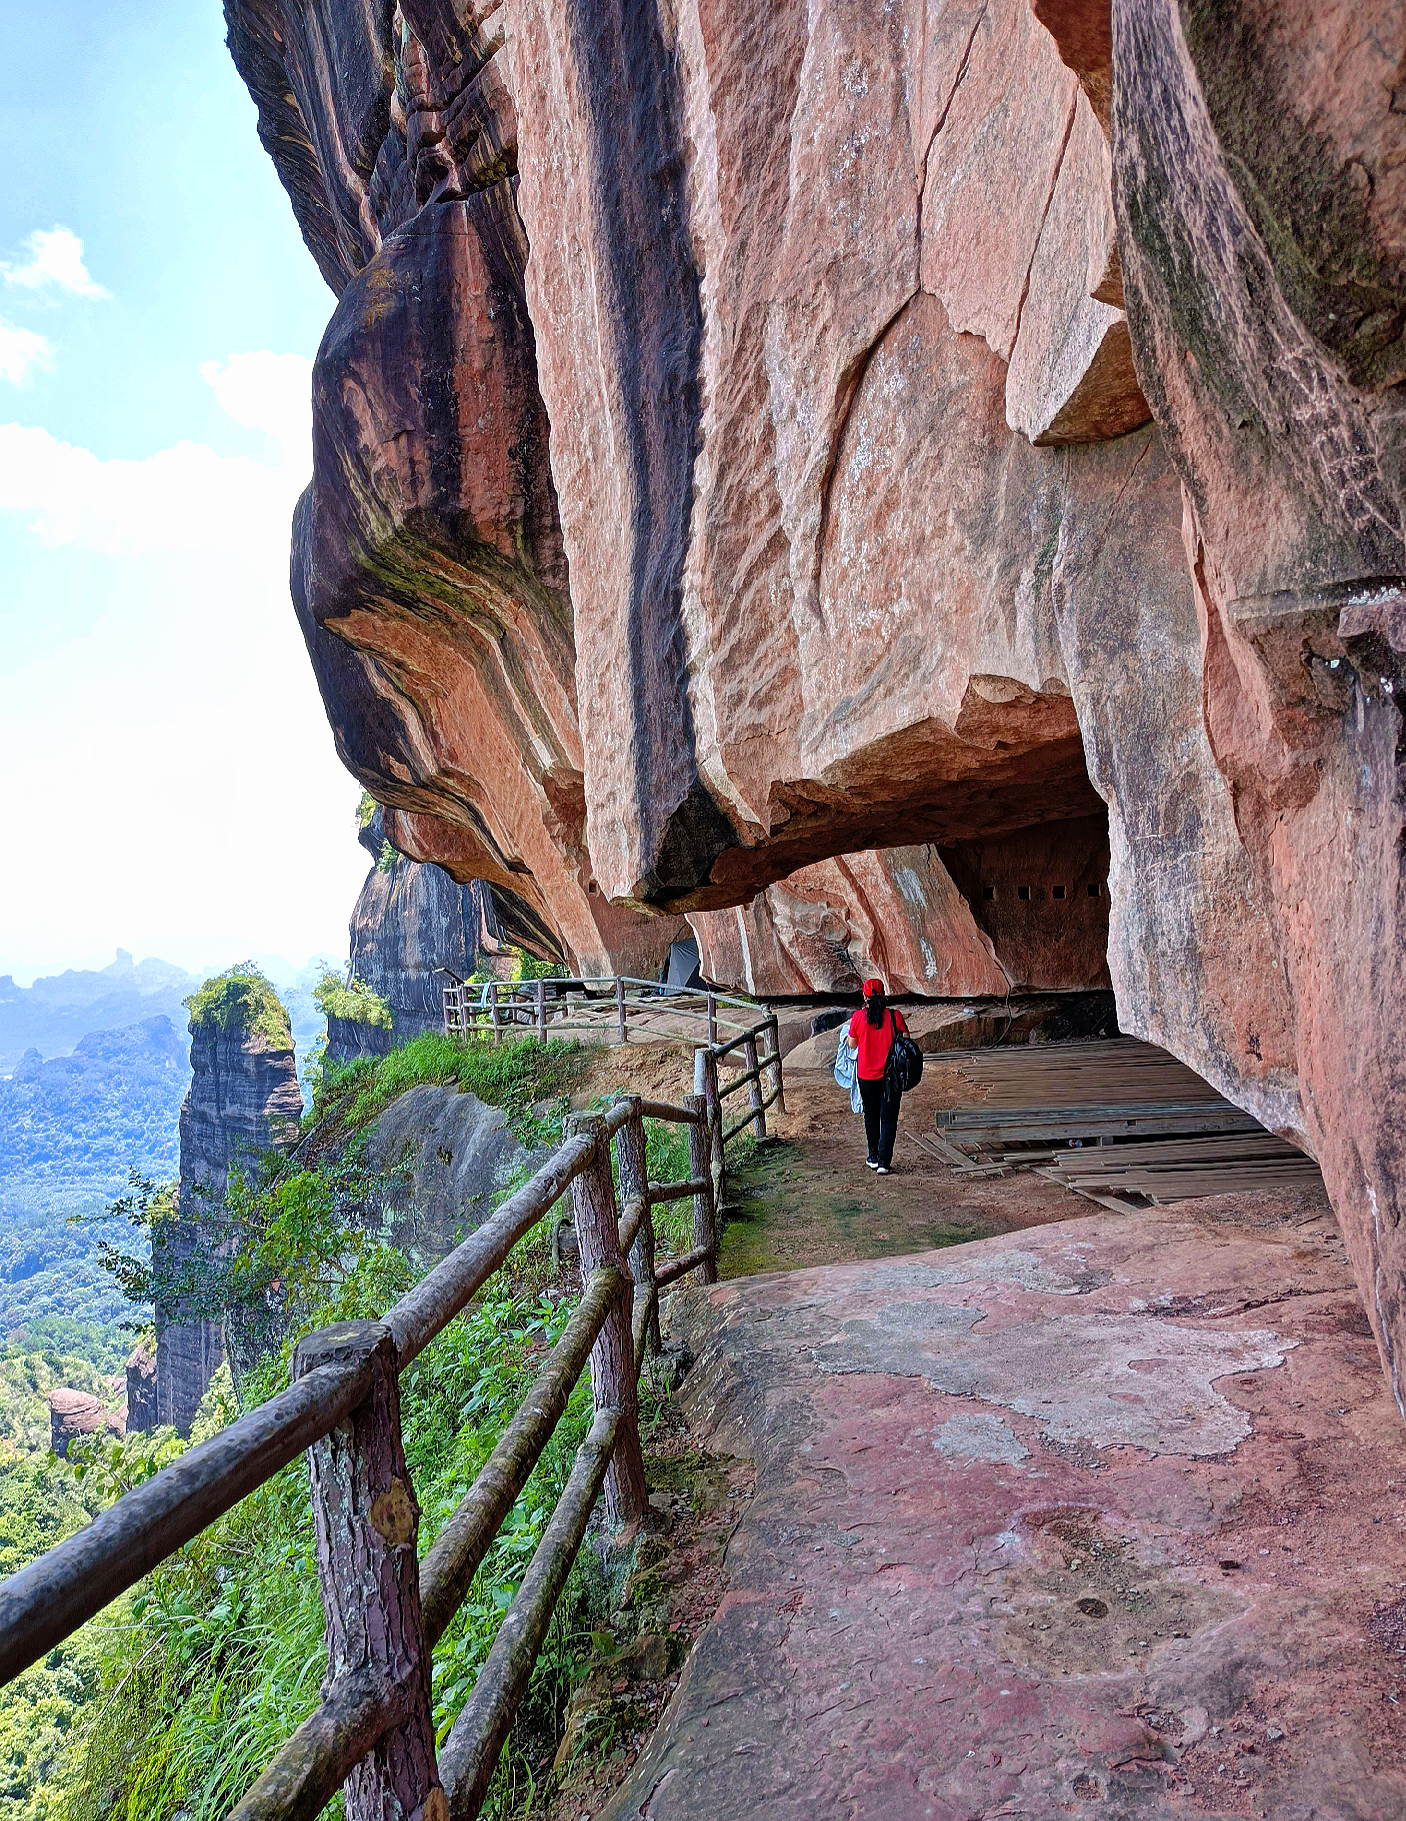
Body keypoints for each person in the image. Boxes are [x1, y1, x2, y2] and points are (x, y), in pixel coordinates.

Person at [842, 978, 909, 1174]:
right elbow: (906, 1040)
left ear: (864, 996)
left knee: (871, 1116)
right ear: (883, 994)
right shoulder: (894, 1016)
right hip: (891, 1078)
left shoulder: (857, 1018)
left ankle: (873, 1156)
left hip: (866, 1076)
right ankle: (884, 1162)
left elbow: (852, 1044)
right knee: (889, 1119)